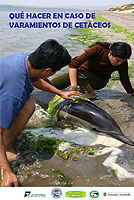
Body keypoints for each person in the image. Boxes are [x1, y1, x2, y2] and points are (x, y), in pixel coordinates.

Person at [0, 39, 80, 187]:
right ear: (48, 71)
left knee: (28, 103)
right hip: (7, 94)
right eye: (55, 71)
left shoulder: (23, 60)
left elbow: (36, 80)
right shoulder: (14, 92)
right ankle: (4, 151)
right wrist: (6, 172)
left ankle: (7, 144)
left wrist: (59, 93)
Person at [51, 41, 134, 98]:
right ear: (110, 53)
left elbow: (124, 78)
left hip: (99, 81)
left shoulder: (122, 62)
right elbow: (73, 63)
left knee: (78, 74)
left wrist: (131, 92)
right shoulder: (98, 49)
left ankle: (91, 93)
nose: (119, 63)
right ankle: (81, 88)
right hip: (82, 75)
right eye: (117, 60)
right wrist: (73, 86)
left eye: (122, 61)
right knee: (50, 85)